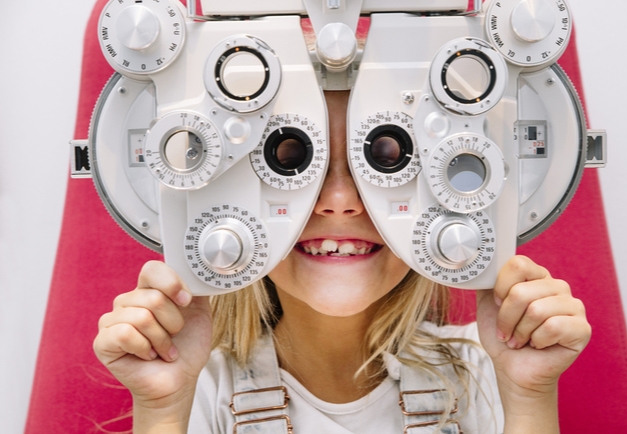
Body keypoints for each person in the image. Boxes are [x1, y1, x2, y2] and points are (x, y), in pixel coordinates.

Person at [93, 90, 591, 433]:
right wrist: (161, 409)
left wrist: (528, 397)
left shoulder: (486, 368)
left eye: (383, 158)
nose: (338, 201)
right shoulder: (197, 386)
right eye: (291, 159)